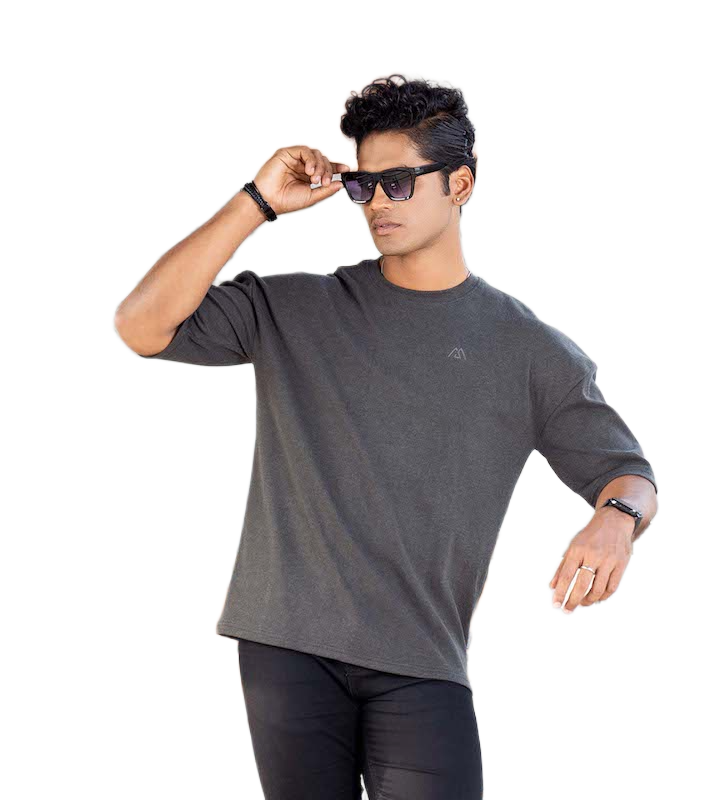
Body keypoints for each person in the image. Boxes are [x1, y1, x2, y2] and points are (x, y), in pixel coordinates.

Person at [114, 74, 658, 800]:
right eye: (363, 185)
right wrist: (257, 203)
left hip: (422, 658)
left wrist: (615, 519)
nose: (376, 203)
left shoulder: (527, 351)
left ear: (460, 184)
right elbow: (140, 325)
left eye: (398, 183)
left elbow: (627, 472)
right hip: (287, 644)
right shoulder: (296, 308)